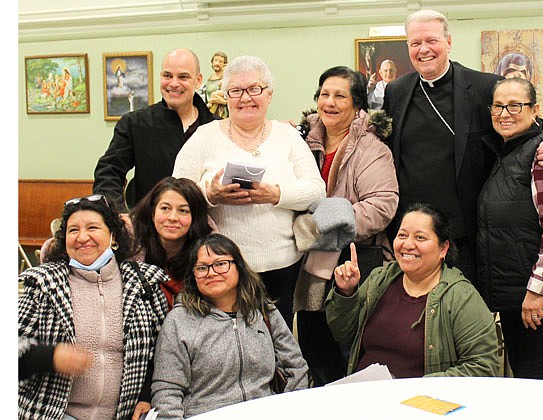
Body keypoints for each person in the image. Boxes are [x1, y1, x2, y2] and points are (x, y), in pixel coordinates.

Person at [382, 9, 543, 281]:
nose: (424, 50)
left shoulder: (483, 86)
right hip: (412, 235)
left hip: (464, 236)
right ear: (408, 47)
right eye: (416, 43)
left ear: (448, 42)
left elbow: (532, 121)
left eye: (432, 41)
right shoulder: (396, 91)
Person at [173, 55, 325, 330]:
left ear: (269, 94)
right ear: (226, 96)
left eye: (255, 89)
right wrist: (210, 195)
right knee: (228, 343)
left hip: (283, 266)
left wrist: (274, 194)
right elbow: (174, 195)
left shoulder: (288, 136)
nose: (246, 98)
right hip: (221, 268)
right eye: (236, 91)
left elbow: (316, 191)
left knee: (277, 340)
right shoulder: (203, 138)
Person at [18, 194, 169, 420]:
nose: (82, 237)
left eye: (92, 227)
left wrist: (146, 395)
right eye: (73, 230)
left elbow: (161, 353)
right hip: (54, 413)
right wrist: (50, 356)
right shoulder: (40, 283)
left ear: (113, 236)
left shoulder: (145, 284)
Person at [475, 78, 543, 379]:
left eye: (515, 105)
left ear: (535, 109)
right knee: (524, 380)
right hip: (515, 294)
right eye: (498, 106)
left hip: (541, 297)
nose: (505, 113)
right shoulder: (505, 153)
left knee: (535, 384)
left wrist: (537, 291)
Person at [297, 65, 398, 385]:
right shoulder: (301, 143)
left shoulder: (371, 148)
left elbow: (383, 204)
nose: (330, 102)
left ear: (357, 105)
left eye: (340, 95)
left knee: (350, 350)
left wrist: (327, 222)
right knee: (315, 347)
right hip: (311, 260)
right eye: (324, 94)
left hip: (357, 258)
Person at [326, 203, 499, 378]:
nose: (408, 244)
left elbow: (483, 366)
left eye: (420, 238)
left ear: (443, 248)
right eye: (402, 235)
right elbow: (343, 334)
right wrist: (346, 292)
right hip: (363, 392)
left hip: (421, 401)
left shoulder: (461, 296)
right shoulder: (381, 279)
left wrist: (416, 388)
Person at [151, 233, 309, 418]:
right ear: (193, 276)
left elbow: (296, 366)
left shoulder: (262, 310)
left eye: (220, 264)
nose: (211, 273)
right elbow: (167, 390)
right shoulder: (179, 320)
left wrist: (290, 411)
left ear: (239, 267)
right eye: (202, 268)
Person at [93, 48, 218, 211]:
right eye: (167, 75)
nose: (174, 83)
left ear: (198, 80)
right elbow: (108, 173)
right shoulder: (134, 124)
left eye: (183, 77)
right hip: (148, 229)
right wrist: (119, 215)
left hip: (204, 228)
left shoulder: (216, 127)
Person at [130, 177, 214, 308]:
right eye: (165, 208)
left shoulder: (209, 252)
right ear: (153, 213)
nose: (173, 218)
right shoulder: (130, 248)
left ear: (195, 217)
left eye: (183, 211)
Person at [204, 51, 229, 118]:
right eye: (215, 60)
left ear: (224, 64)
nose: (217, 63)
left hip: (223, 114)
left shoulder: (226, 79)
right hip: (210, 112)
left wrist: (223, 102)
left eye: (220, 62)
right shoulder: (210, 79)